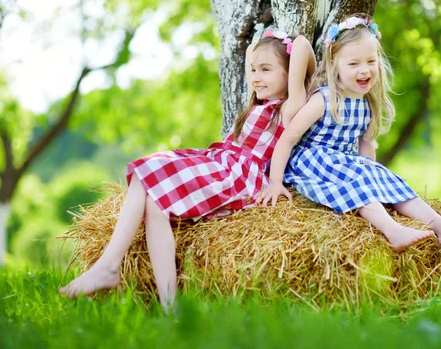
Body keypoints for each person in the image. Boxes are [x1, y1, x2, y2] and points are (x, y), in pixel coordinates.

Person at [59, 30, 317, 310]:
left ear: (289, 73)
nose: (256, 77)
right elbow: (252, 52)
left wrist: (282, 40)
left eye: (266, 70)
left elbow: (302, 44)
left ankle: (109, 265)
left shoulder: (290, 107)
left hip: (236, 177)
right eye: (254, 70)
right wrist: (262, 50)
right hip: (217, 162)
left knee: (150, 170)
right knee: (155, 203)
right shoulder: (254, 103)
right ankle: (171, 309)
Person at [258, 15, 441, 252]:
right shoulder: (325, 99)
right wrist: (275, 182)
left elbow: (367, 149)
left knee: (386, 177)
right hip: (311, 160)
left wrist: (372, 178)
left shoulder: (368, 104)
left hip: (344, 164)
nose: (364, 70)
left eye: (371, 61)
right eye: (354, 64)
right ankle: (394, 232)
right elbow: (288, 138)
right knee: (357, 179)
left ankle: (440, 225)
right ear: (335, 65)